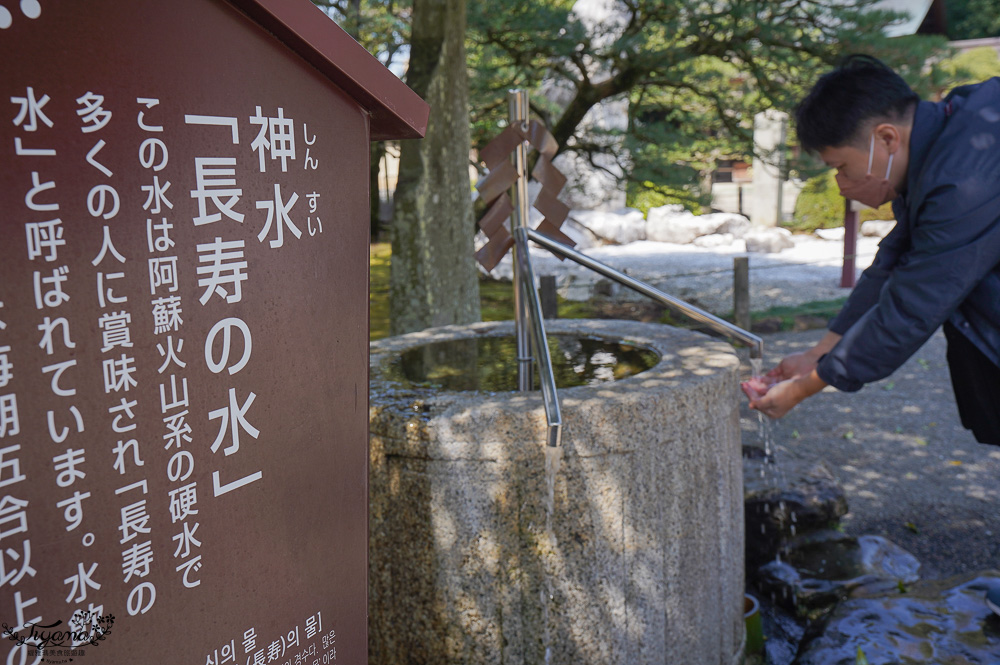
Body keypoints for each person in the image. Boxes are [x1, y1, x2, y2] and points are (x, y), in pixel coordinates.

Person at [743, 54, 1000, 445]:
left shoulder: (963, 179)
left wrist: (803, 388)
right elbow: (892, 264)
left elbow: (914, 304)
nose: (841, 184)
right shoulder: (944, 141)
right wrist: (818, 354)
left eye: (841, 167)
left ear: (887, 138)